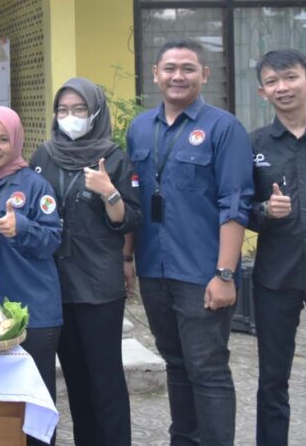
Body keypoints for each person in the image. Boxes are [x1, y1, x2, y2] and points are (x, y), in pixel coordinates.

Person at [127, 39, 254, 446]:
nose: (177, 76)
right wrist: (127, 259)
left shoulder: (224, 128)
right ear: (155, 74)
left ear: (205, 75)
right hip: (154, 269)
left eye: (188, 68)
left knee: (208, 369)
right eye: (169, 68)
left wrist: (225, 273)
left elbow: (234, 204)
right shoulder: (139, 129)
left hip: (202, 273)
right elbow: (133, 200)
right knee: (176, 365)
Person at [29, 78, 140, 446]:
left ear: (94, 113)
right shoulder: (44, 156)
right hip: (55, 284)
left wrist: (110, 193)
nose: (70, 117)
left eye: (79, 109)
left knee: (105, 379)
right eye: (63, 110)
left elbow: (130, 219)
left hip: (98, 285)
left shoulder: (114, 157)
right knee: (75, 379)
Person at [248, 49, 306, 445]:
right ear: (262, 92)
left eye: (290, 77)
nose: (283, 87)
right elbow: (238, 209)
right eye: (272, 81)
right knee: (272, 379)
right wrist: (265, 210)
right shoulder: (254, 145)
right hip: (274, 280)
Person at [0, 106, 62, 446]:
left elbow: (52, 240)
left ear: (16, 141)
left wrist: (22, 226)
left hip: (34, 310)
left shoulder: (36, 186)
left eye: (2, 140)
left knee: (36, 401)